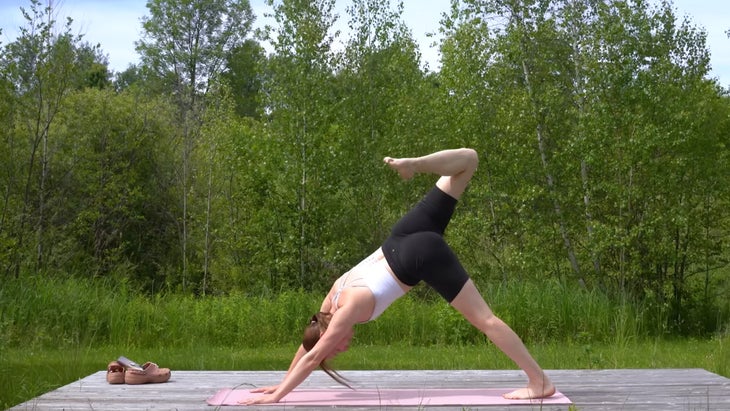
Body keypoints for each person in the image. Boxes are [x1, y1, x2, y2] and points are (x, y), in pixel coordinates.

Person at [242, 148, 555, 405]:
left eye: (335, 347)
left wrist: (277, 397)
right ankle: (413, 165)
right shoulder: (332, 296)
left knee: (485, 319)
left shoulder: (345, 312)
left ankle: (540, 381)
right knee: (469, 160)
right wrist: (280, 381)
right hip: (402, 235)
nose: (342, 348)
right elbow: (308, 348)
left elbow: (313, 358)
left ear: (327, 334)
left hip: (418, 254)